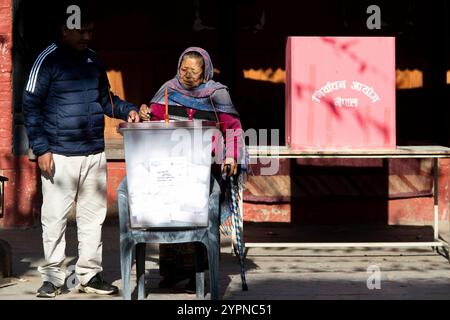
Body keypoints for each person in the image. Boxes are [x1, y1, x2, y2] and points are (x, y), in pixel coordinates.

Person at [22, 7, 139, 298]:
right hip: (58, 155)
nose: (86, 36)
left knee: (92, 218)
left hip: (94, 154)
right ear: (64, 29)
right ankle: (53, 278)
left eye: (90, 30)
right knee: (54, 219)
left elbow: (105, 100)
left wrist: (131, 110)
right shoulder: (46, 59)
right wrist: (42, 149)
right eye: (81, 30)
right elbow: (31, 107)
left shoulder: (93, 59)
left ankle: (89, 275)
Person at [139, 47, 244, 293]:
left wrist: (231, 155)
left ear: (205, 72)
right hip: (171, 170)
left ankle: (199, 275)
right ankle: (173, 274)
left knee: (202, 221)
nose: (186, 75)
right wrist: (144, 112)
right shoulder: (167, 90)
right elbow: (153, 120)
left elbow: (234, 129)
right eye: (183, 69)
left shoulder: (218, 95)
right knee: (171, 219)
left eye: (193, 71)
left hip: (204, 170)